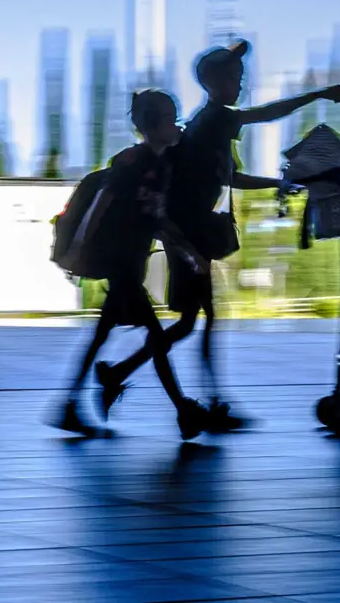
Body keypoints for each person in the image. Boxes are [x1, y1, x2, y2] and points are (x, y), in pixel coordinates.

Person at [95, 40, 340, 432]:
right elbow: (267, 114)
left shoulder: (211, 128)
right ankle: (201, 401)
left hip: (192, 232)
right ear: (213, 82)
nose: (239, 83)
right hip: (188, 234)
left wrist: (281, 184)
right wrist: (319, 94)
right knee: (198, 320)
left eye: (239, 76)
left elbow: (232, 178)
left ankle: (124, 375)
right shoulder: (216, 118)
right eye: (233, 77)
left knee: (190, 322)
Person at [53, 89, 211, 439]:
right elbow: (101, 203)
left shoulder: (159, 165)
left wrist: (187, 252)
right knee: (156, 338)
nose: (177, 126)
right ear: (154, 127)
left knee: (100, 336)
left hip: (130, 262)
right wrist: (79, 248)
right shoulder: (132, 162)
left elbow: (155, 217)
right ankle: (183, 411)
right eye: (172, 119)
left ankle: (69, 405)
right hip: (119, 262)